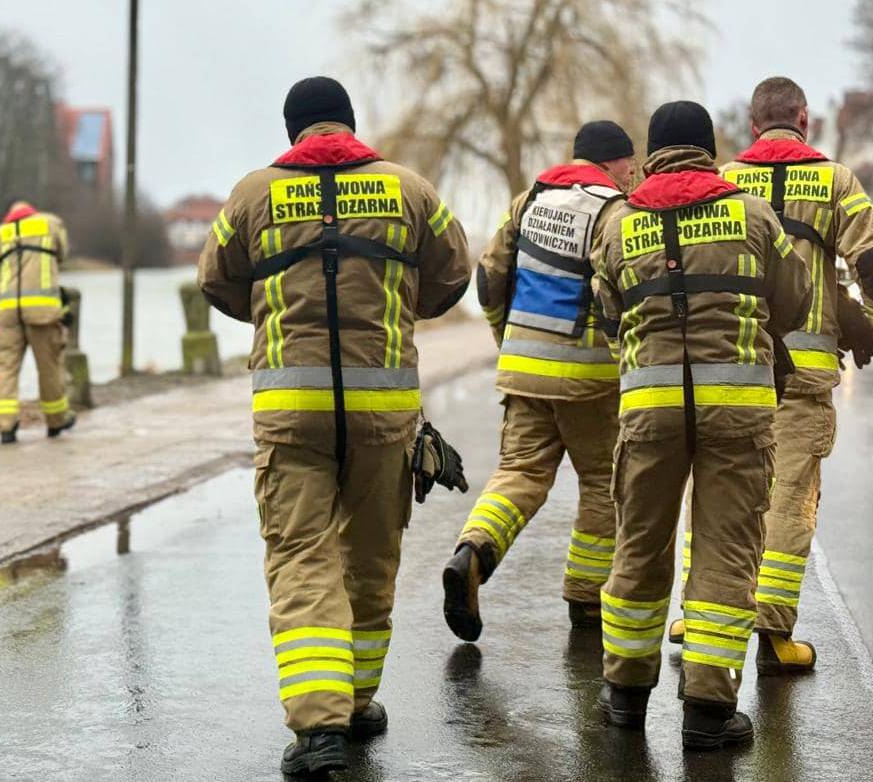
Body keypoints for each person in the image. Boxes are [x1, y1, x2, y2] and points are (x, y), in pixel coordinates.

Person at [197, 76, 473, 776]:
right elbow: (455, 270)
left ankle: (318, 732)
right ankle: (353, 701)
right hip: (384, 412)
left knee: (301, 556)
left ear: (293, 132)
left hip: (291, 414)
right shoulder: (408, 189)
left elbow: (214, 277)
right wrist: (401, 305)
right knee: (373, 555)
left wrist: (268, 309)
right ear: (349, 125)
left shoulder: (252, 195)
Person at [663, 77, 873, 674]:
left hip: (731, 367)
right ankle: (774, 632)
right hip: (801, 375)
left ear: (753, 126)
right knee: (789, 498)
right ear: (804, 117)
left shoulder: (723, 181)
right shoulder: (835, 183)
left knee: (716, 493)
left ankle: (693, 616)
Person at [589, 101, 811, 750]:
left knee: (639, 543)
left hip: (649, 410)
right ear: (709, 149)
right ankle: (708, 714)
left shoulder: (616, 222)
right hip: (739, 412)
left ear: (653, 151)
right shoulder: (752, 213)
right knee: (725, 550)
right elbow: (793, 300)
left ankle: (626, 697)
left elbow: (604, 310)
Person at [441, 121, 637, 642]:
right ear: (612, 163)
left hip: (523, 371)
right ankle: (586, 598)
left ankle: (472, 553)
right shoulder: (615, 211)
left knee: (520, 474)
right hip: (590, 379)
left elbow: (488, 278)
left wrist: (506, 338)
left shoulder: (528, 200)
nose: (634, 174)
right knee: (603, 482)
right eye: (630, 165)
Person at [0, 200, 76, 444]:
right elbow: (63, 255)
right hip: (42, 311)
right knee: (49, 367)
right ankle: (56, 422)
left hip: (7, 314)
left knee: (6, 368)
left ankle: (6, 427)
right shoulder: (51, 224)